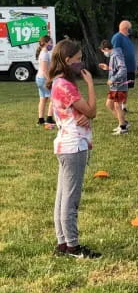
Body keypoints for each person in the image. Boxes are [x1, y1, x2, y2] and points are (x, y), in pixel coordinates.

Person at [47, 39, 100, 258]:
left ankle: (62, 243)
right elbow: (92, 111)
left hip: (65, 143)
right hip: (73, 147)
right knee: (70, 198)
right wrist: (90, 84)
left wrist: (83, 117)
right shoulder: (65, 85)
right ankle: (73, 247)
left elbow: (75, 113)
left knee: (62, 197)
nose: (81, 63)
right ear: (67, 60)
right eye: (78, 59)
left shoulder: (58, 82)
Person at [99, 40, 129, 135]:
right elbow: (116, 69)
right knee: (109, 105)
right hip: (114, 87)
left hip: (119, 85)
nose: (104, 53)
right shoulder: (113, 55)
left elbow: (123, 69)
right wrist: (108, 68)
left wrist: (113, 79)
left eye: (103, 51)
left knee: (117, 105)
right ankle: (124, 123)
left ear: (107, 49)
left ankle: (123, 128)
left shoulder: (116, 55)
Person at [111, 20, 135, 112]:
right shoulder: (117, 37)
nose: (131, 30)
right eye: (130, 28)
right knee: (121, 88)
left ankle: (124, 107)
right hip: (122, 69)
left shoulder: (127, 38)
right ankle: (119, 107)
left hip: (129, 69)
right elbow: (115, 53)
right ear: (126, 28)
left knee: (126, 88)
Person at [35, 35, 55, 128]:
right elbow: (44, 70)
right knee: (53, 99)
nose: (52, 44)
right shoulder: (44, 54)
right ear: (46, 43)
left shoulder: (43, 53)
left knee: (43, 99)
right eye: (51, 42)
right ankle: (49, 118)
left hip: (40, 78)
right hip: (44, 79)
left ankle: (41, 120)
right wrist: (49, 80)